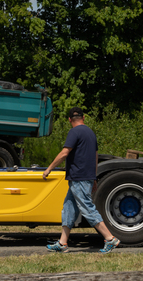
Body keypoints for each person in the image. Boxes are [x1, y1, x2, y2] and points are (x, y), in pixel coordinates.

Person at [42, 107, 120, 254]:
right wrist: (94, 177)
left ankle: (110, 239)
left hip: (79, 177)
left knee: (87, 208)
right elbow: (95, 156)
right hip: (85, 177)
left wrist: (49, 168)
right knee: (69, 208)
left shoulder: (74, 132)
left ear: (70, 120)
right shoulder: (90, 133)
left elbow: (65, 152)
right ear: (83, 118)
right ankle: (62, 243)